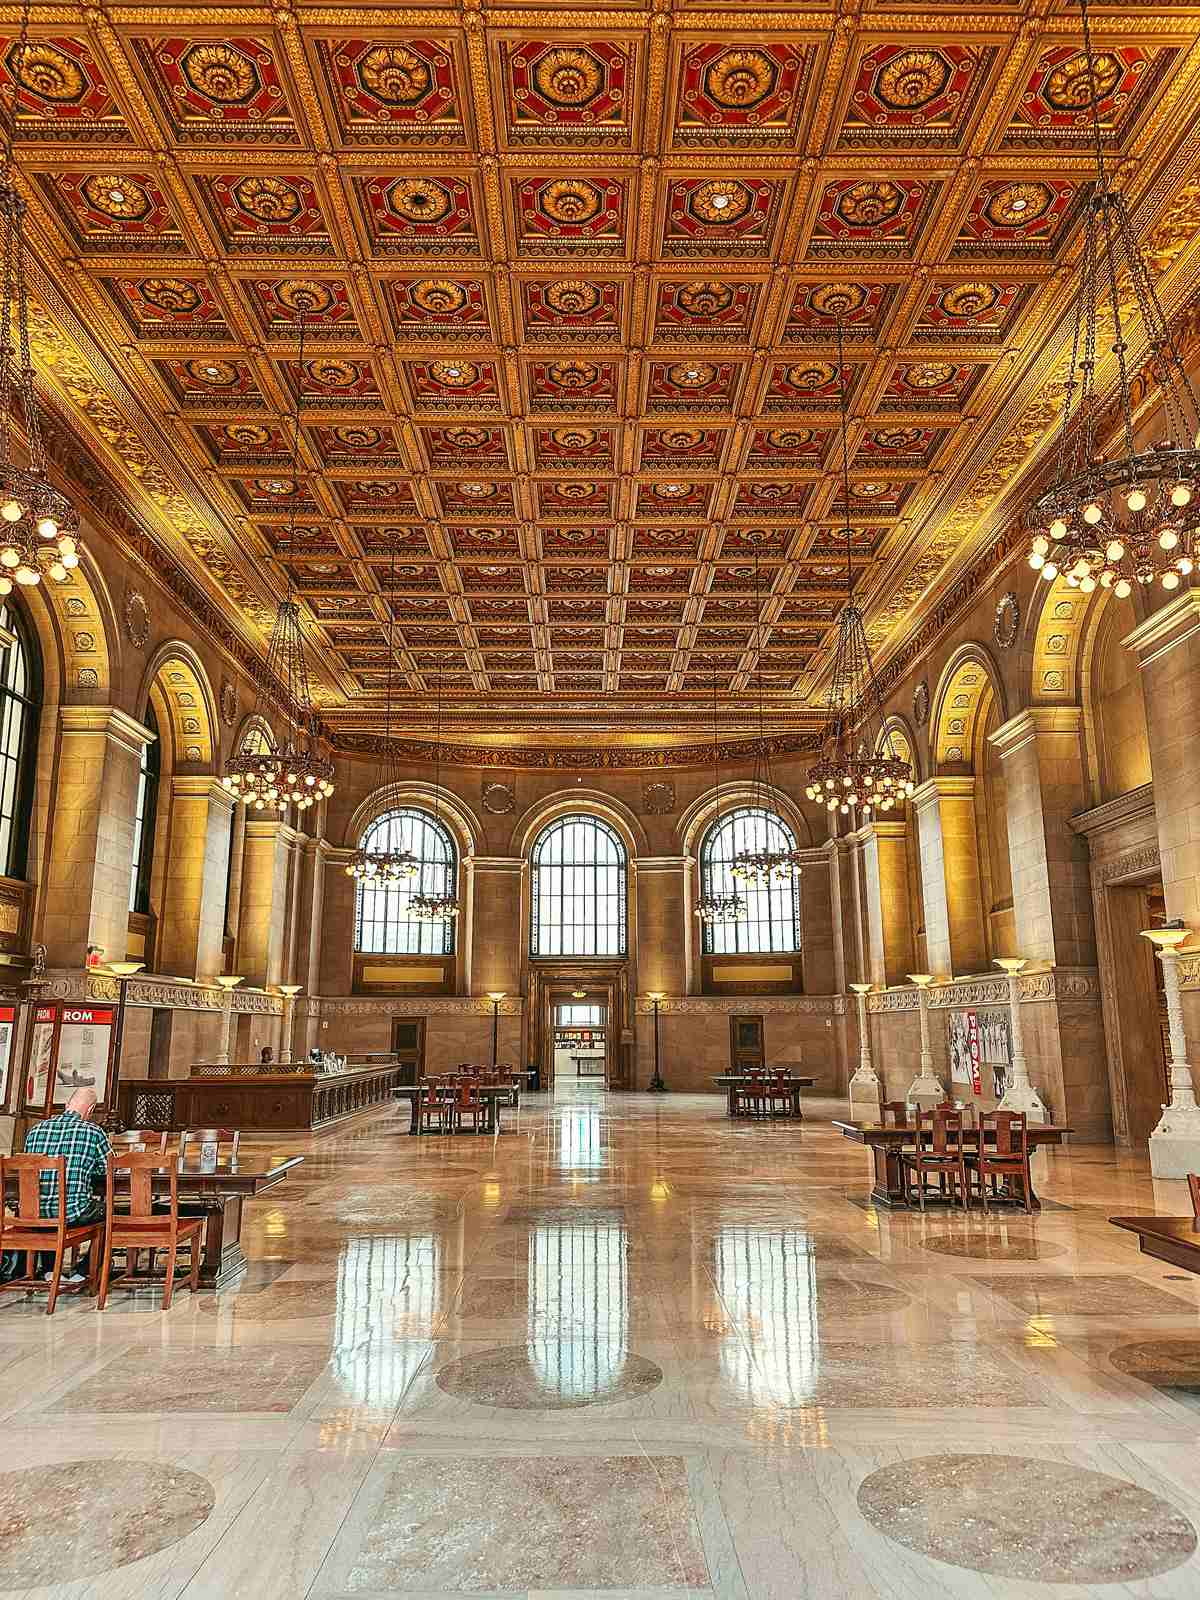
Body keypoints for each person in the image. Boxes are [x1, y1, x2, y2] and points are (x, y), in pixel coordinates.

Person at [23, 1088, 110, 1284]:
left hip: (33, 1213)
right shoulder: (93, 1131)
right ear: (91, 1110)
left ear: (66, 1106)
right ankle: (85, 1271)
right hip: (73, 1213)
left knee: (47, 1204)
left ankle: (49, 1270)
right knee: (111, 1212)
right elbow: (109, 1170)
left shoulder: (35, 1130)